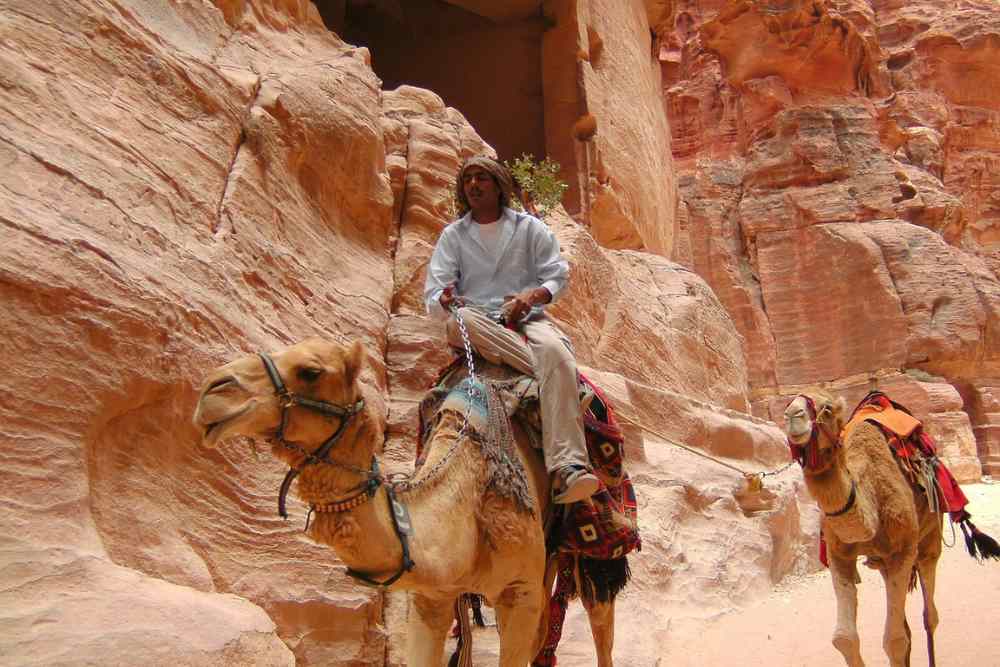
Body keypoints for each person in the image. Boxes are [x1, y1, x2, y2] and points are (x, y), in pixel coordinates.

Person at [423, 156, 600, 504]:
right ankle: (562, 386)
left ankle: (569, 467)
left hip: (527, 318)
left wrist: (531, 296)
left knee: (556, 350)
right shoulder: (453, 236)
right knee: (461, 325)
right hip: (475, 321)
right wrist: (445, 300)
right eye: (468, 179)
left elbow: (557, 274)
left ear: (499, 185)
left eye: (482, 178)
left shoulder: (529, 228)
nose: (473, 185)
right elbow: (433, 292)